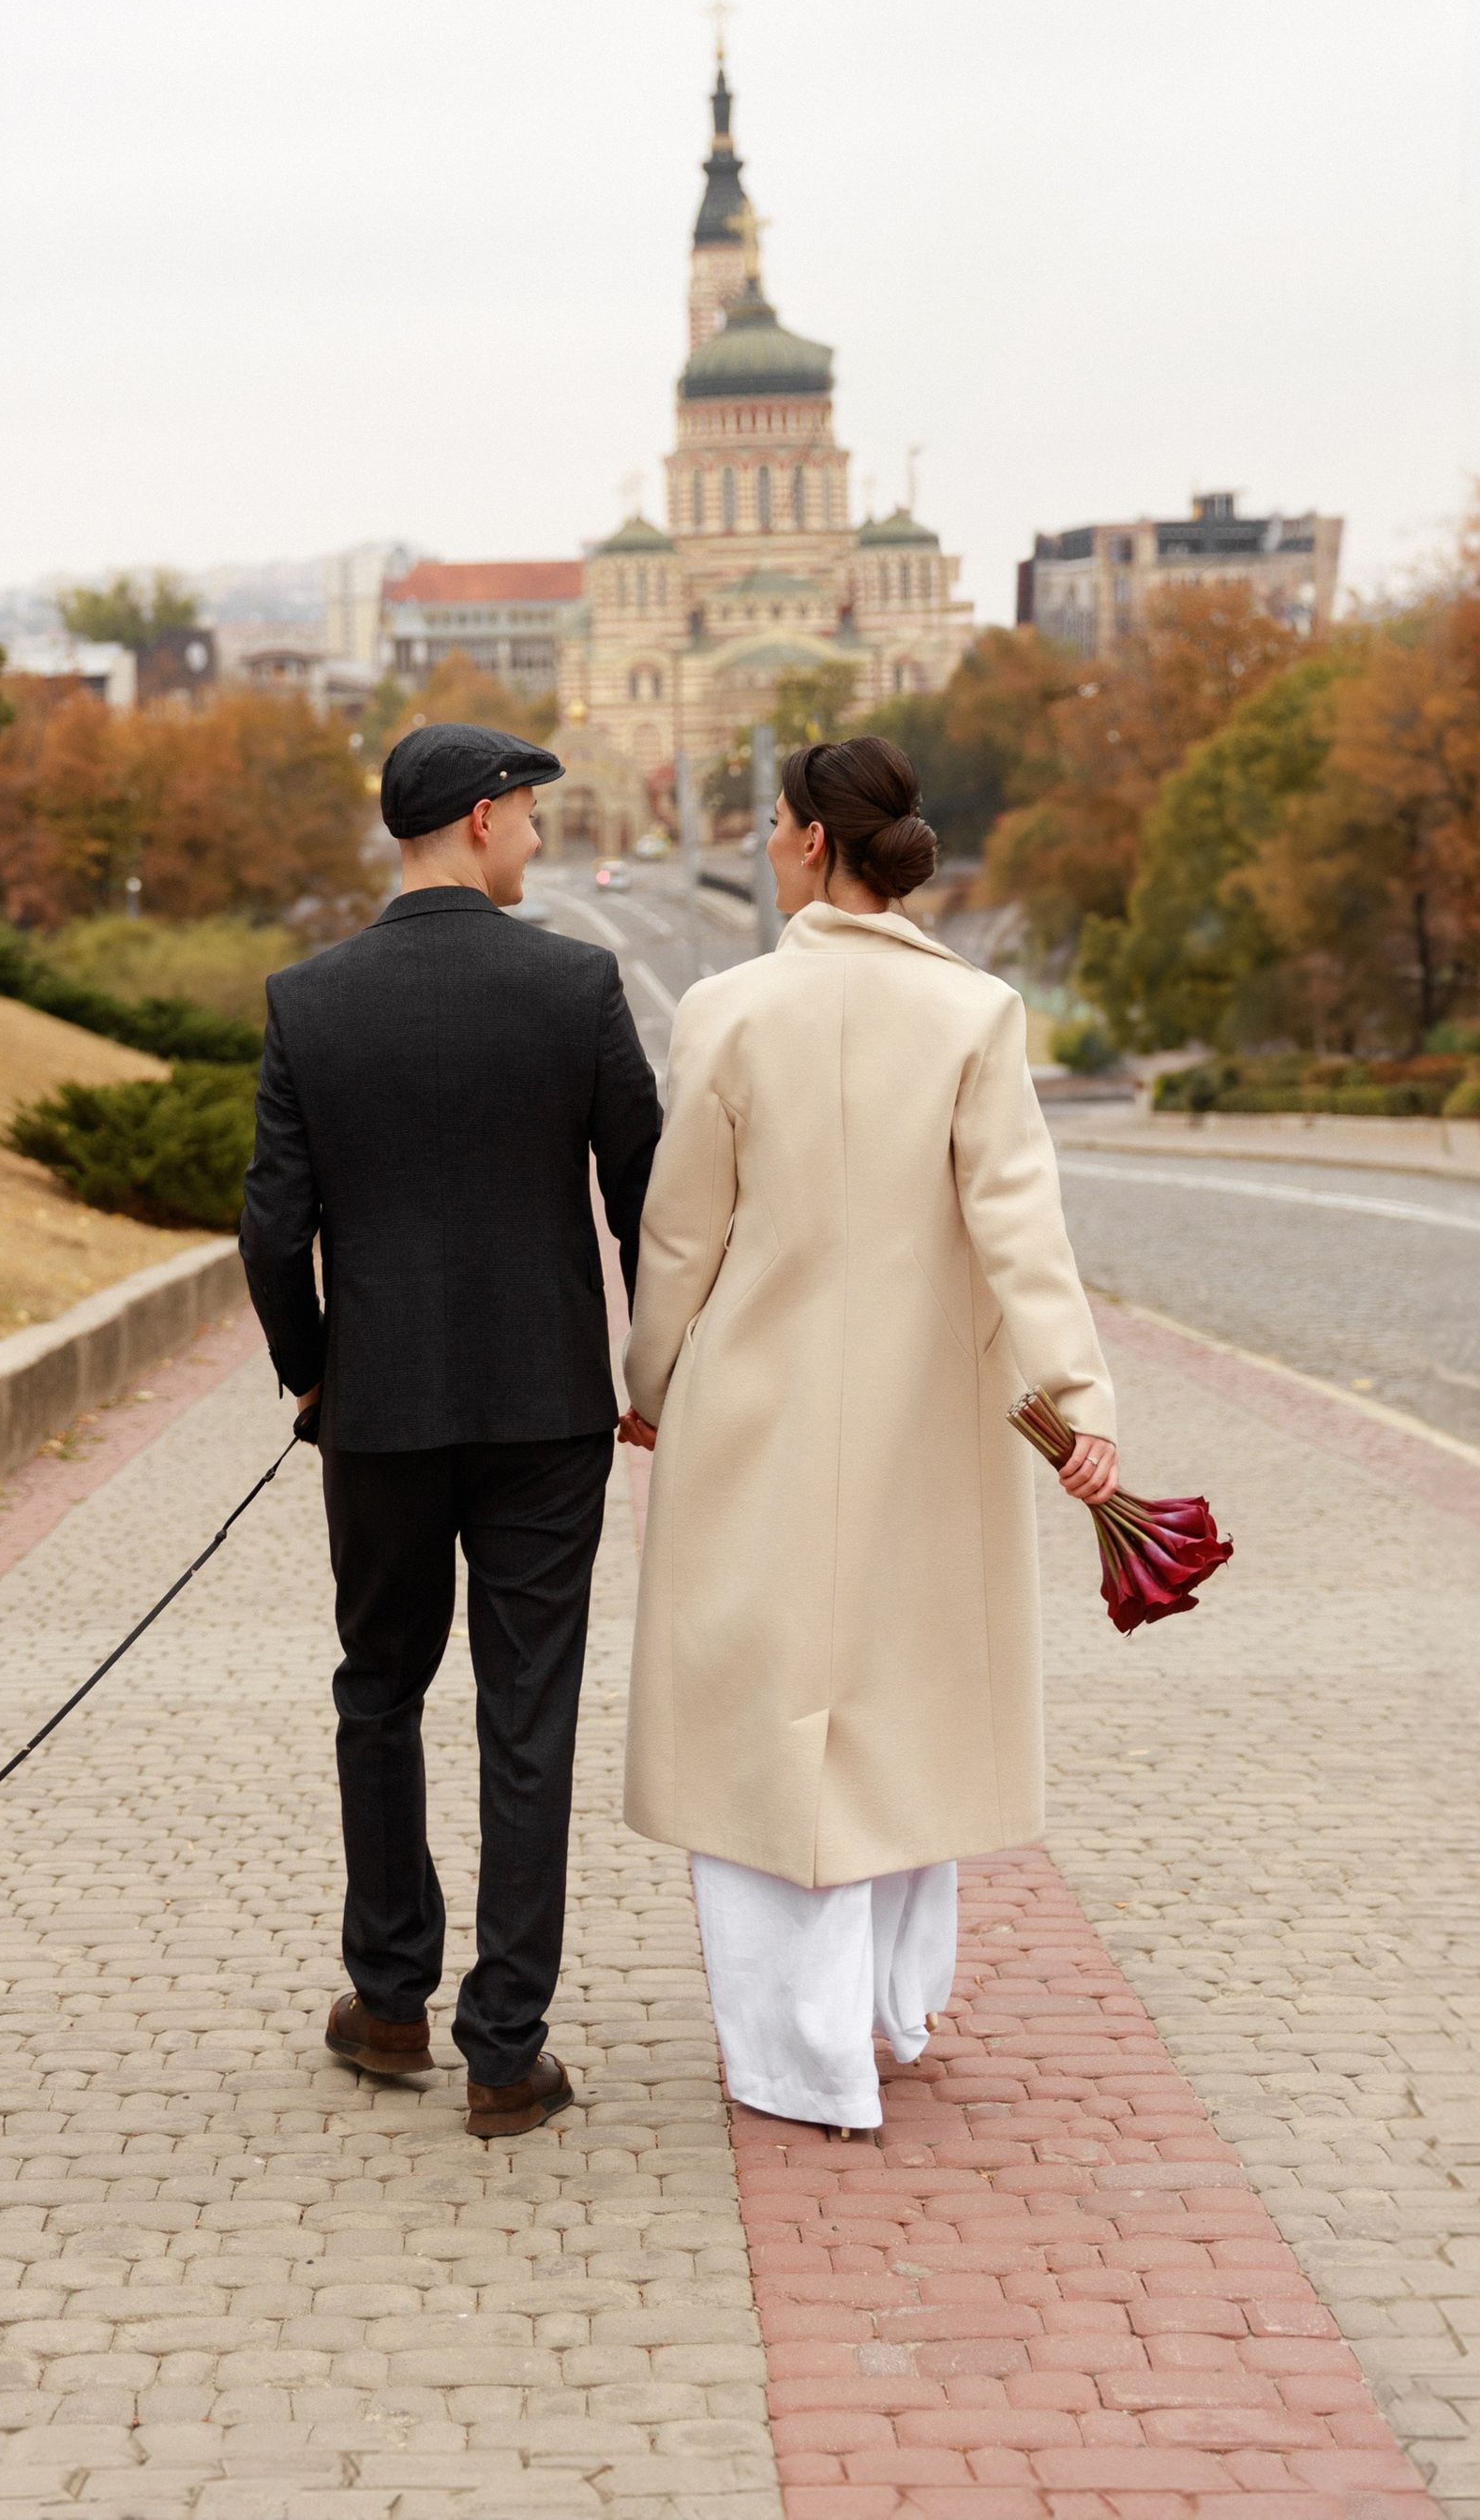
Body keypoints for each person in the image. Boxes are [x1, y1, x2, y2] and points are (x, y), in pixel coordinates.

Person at [618, 733, 1118, 2137]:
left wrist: (650, 1379)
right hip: (922, 1414)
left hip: (755, 1408)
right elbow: (1022, 1226)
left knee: (759, 1721)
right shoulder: (976, 1013)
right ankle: (892, 2009)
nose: (767, 842)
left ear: (813, 842)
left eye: (775, 823)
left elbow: (680, 1232)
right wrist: (1077, 1405)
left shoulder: (726, 1009)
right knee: (901, 1705)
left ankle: (802, 2050)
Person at [240, 722, 661, 2137]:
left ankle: (389, 2000)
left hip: (382, 1415)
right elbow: (646, 1201)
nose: (538, 837)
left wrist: (314, 1378)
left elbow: (271, 1228)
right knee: (526, 1715)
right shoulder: (575, 985)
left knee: (380, 1689)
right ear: (482, 819)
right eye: (530, 814)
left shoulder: (308, 1000)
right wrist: (653, 1367)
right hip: (547, 1413)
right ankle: (505, 2051)